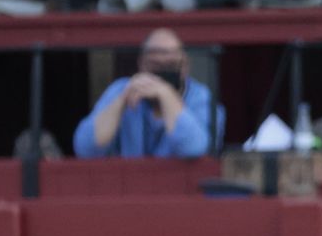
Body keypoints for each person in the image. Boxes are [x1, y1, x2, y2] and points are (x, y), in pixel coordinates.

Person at [73, 28, 224, 159]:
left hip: (182, 189)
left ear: (185, 65)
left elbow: (194, 149)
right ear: (141, 64)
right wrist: (122, 100)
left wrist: (166, 94)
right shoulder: (121, 89)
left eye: (171, 65)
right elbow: (85, 149)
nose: (163, 72)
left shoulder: (202, 98)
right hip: (127, 187)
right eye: (155, 65)